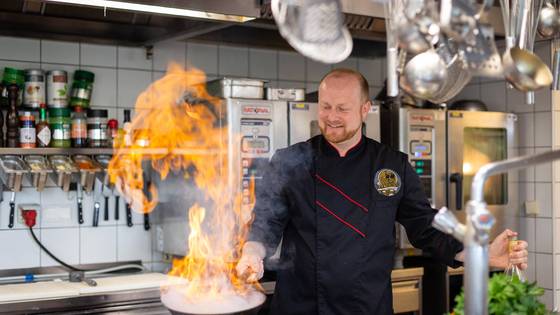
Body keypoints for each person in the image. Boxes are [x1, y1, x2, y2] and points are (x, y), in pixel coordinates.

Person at [235, 68, 529, 315]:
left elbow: (427, 228)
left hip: (367, 307)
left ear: (365, 109)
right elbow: (265, 222)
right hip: (302, 307)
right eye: (326, 106)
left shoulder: (391, 165)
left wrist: (483, 255)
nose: (332, 116)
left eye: (342, 108)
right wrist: (252, 253)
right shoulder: (289, 161)